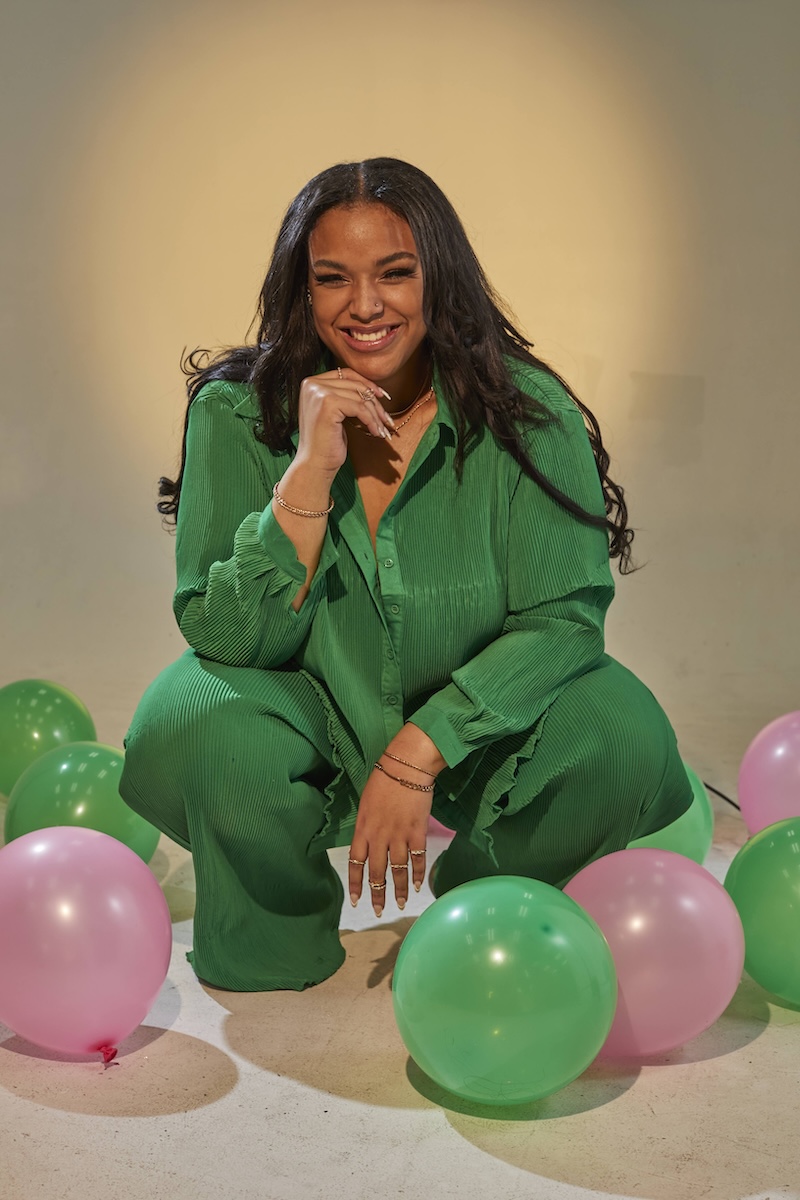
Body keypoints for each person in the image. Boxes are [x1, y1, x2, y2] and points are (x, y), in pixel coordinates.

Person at [120, 157, 692, 992]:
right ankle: (273, 938)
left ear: (440, 277)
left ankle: (484, 917)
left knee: (620, 735)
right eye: (332, 279)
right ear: (300, 290)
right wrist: (307, 475)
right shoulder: (234, 414)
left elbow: (562, 619)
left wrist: (420, 751)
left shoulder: (526, 414)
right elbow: (225, 634)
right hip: (306, 713)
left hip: (474, 729)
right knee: (200, 721)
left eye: (396, 273)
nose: (365, 306)